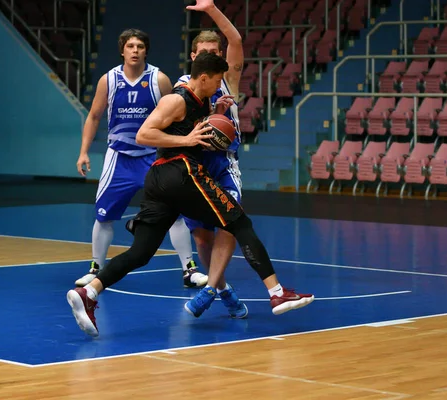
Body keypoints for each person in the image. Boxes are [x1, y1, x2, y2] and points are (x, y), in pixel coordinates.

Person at [66, 52, 314, 338]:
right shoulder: (176, 99)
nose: (221, 84)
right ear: (205, 77)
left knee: (141, 252)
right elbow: (144, 134)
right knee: (238, 222)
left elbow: (199, 131)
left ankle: (89, 292)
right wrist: (186, 140)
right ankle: (277, 292)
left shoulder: (204, 102)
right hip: (179, 172)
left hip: (162, 182)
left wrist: (216, 114)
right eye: (218, 79)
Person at [74, 28, 208, 289]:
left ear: (146, 50)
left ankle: (189, 270)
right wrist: (83, 151)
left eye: (140, 46)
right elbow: (93, 116)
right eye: (130, 46)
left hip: (153, 157)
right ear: (122, 50)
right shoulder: (108, 80)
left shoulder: (159, 80)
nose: (135, 50)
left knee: (176, 214)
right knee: (103, 215)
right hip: (119, 157)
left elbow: (174, 117)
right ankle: (96, 268)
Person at [175, 0, 249, 318]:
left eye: (213, 52)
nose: (209, 56)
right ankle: (222, 288)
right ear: (193, 57)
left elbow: (236, 41)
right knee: (202, 237)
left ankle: (208, 290)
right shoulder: (182, 86)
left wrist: (212, 10)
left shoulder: (228, 79)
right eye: (202, 52)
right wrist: (213, 113)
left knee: (230, 222)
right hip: (195, 163)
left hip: (224, 162)